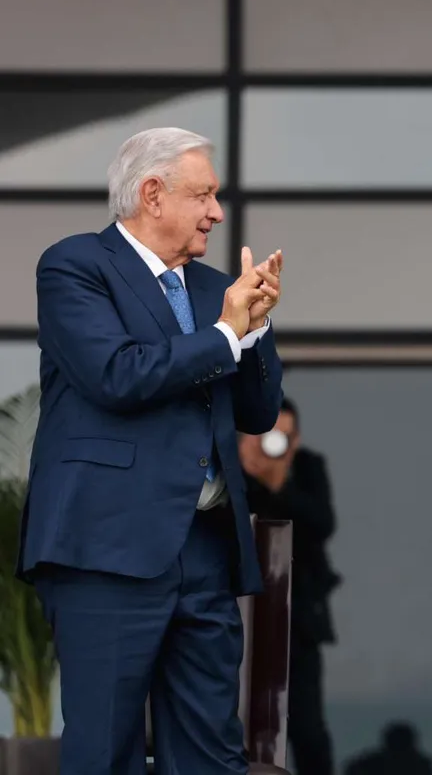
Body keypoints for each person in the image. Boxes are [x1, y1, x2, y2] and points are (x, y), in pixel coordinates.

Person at [18, 127, 285, 775]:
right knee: (104, 751)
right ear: (152, 194)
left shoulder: (215, 286)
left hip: (204, 550)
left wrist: (256, 331)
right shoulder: (75, 267)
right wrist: (225, 333)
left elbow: (257, 413)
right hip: (106, 547)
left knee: (210, 755)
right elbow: (117, 373)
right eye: (204, 195)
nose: (216, 213)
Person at [239, 397, 340, 775]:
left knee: (307, 727)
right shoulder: (227, 469)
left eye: (286, 436)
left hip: (298, 621)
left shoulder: (307, 468)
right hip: (238, 616)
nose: (275, 445)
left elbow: (322, 523)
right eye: (267, 435)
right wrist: (249, 470)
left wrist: (279, 484)